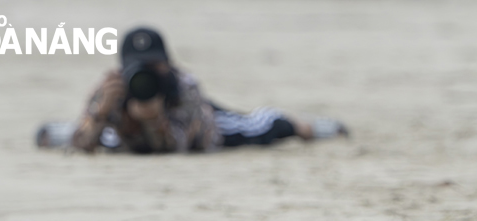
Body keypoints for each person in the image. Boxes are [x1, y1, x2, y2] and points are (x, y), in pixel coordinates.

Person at [37, 27, 347, 153]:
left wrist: (155, 119)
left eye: (154, 66)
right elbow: (83, 145)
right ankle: (58, 130)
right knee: (93, 135)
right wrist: (102, 112)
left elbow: (175, 150)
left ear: (167, 64)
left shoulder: (183, 87)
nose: (147, 75)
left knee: (263, 125)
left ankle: (308, 127)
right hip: (128, 135)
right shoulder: (114, 89)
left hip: (201, 129)